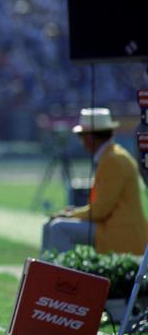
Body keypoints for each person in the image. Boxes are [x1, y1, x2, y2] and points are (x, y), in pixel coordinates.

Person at [41, 107, 148, 256]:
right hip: (111, 226)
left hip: (122, 233)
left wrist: (70, 214)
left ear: (90, 137)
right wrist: (71, 213)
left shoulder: (113, 160)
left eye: (81, 136)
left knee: (58, 228)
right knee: (50, 225)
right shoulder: (111, 156)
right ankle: (45, 274)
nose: (81, 141)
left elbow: (100, 211)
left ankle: (61, 277)